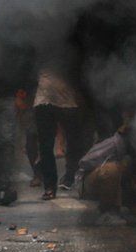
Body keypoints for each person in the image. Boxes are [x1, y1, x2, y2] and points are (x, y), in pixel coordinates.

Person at [32, 67, 91, 200]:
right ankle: (50, 186)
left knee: (74, 142)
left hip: (67, 98)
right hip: (44, 98)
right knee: (45, 146)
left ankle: (71, 177)